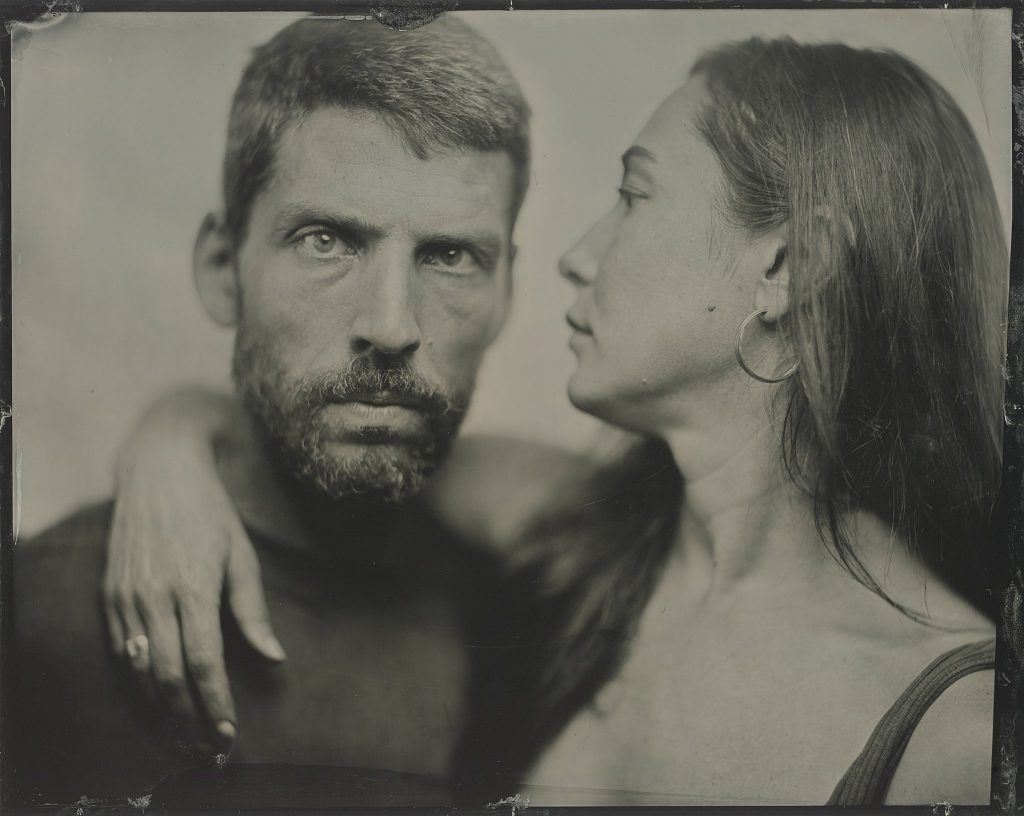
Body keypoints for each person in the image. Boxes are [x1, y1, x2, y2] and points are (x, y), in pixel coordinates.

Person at [100, 32, 1010, 807]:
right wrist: (170, 449)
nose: (578, 256)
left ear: (786, 266)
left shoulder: (962, 730)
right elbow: (345, 420)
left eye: (635, 193)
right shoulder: (590, 532)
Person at [8, 15, 537, 809]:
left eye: (450, 255)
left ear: (506, 295)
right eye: (327, 240)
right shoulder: (36, 617)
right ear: (224, 269)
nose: (392, 326)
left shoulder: (531, 626)